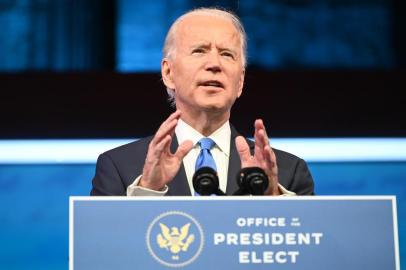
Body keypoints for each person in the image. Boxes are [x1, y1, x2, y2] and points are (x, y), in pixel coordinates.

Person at [91, 7, 314, 196]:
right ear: (169, 73)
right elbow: (105, 244)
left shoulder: (289, 173)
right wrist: (149, 190)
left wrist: (272, 203)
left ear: (240, 82)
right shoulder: (118, 168)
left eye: (227, 54)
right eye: (199, 51)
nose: (214, 64)